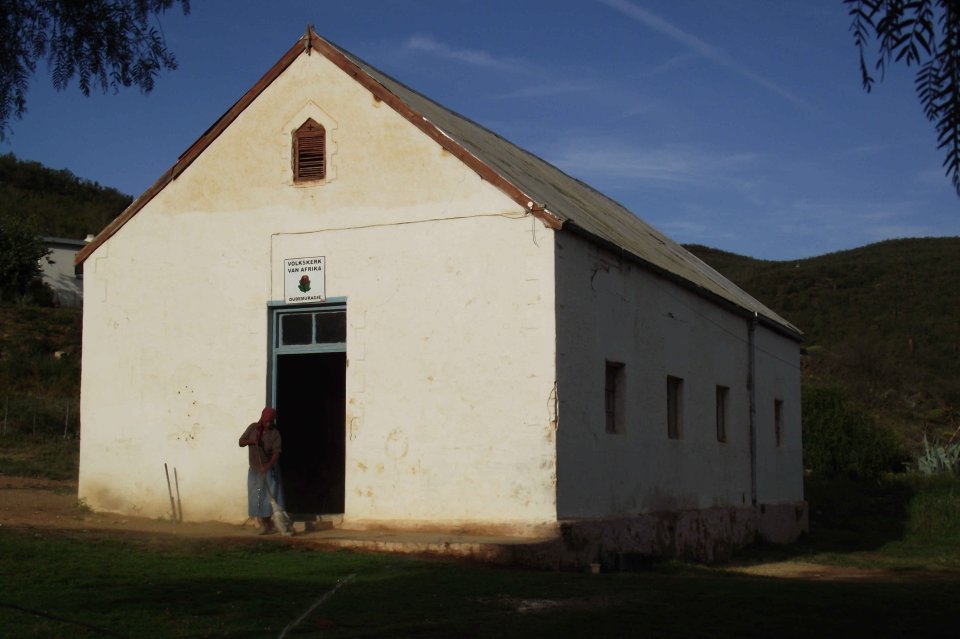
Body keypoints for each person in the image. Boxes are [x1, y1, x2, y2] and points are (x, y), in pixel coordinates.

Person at [238, 407, 285, 534]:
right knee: (256, 497)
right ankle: (264, 524)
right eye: (266, 421)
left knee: (268, 498)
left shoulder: (275, 433)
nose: (268, 424)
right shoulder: (252, 428)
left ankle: (268, 524)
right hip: (254, 470)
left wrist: (268, 466)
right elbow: (240, 442)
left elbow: (276, 453)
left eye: (270, 421)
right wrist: (251, 441)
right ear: (262, 419)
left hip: (268, 471)